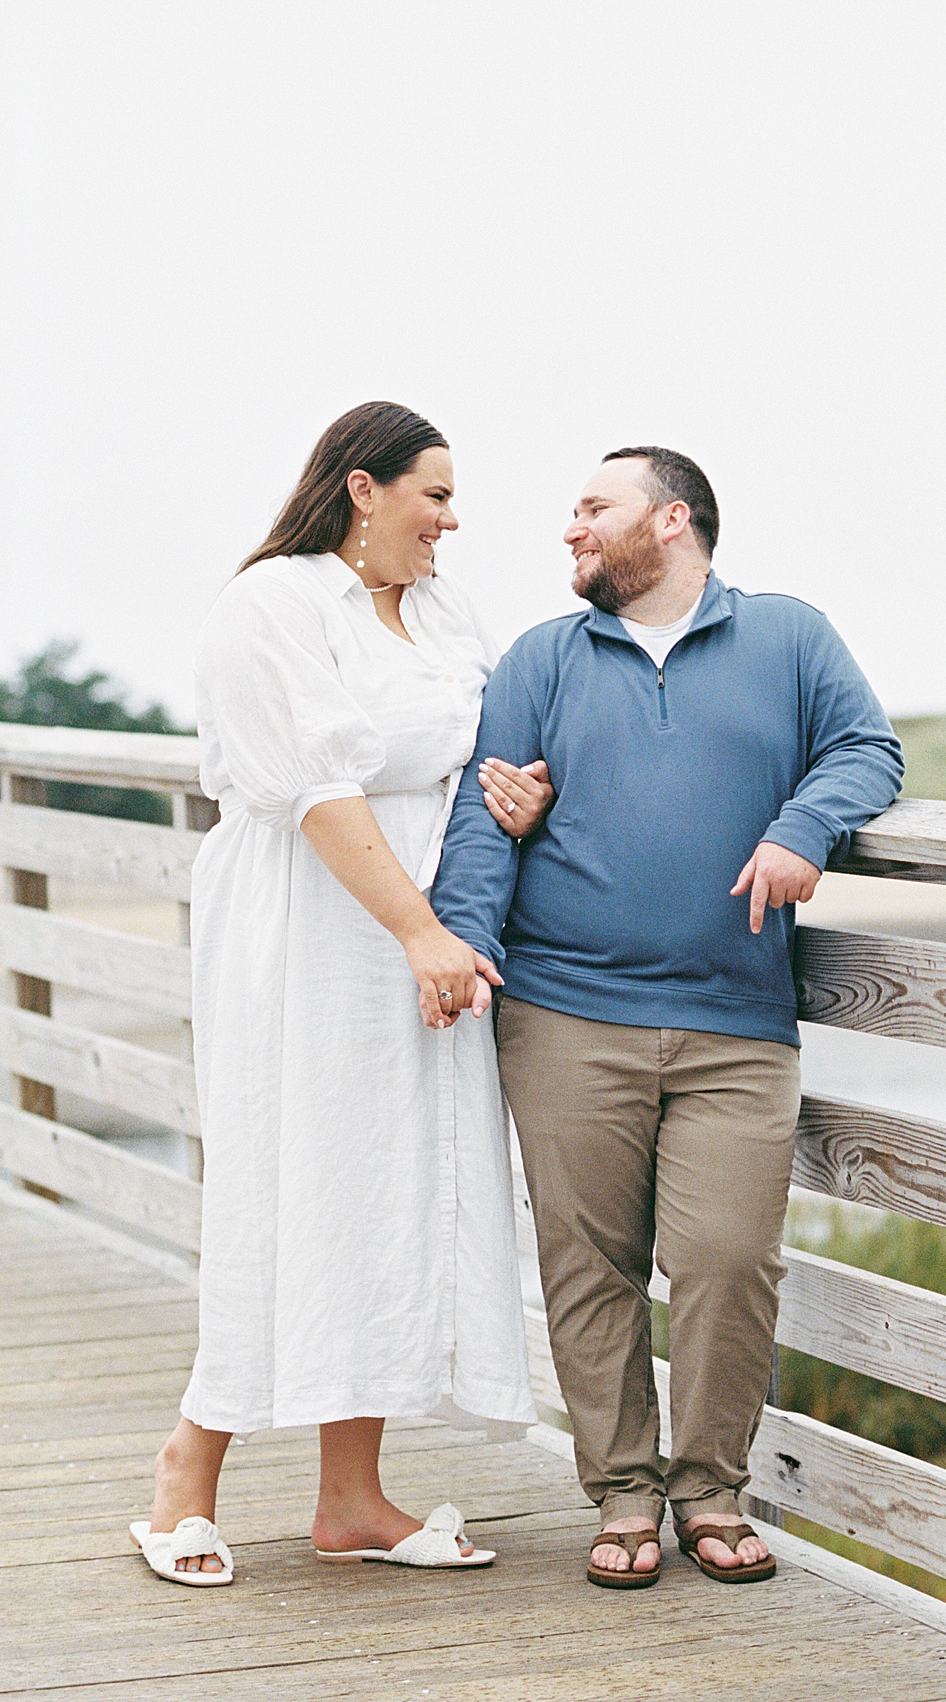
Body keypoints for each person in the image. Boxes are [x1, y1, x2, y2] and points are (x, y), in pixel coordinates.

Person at [432, 446, 904, 1589]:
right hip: (562, 1012)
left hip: (736, 1019)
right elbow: (486, 812)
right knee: (588, 1262)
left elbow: (868, 748)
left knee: (728, 1257)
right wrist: (459, 943)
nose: (571, 531)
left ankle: (711, 1484)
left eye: (594, 508)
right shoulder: (544, 655)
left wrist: (805, 826)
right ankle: (626, 1490)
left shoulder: (789, 636)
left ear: (673, 520)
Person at [132, 403, 549, 1588]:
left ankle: (353, 1496)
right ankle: (186, 1471)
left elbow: (476, 750)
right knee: (291, 1178)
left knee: (391, 1192)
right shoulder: (274, 603)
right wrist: (419, 932)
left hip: (423, 931)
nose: (453, 519)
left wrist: (514, 794)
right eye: (436, 493)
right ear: (363, 488)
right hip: (312, 927)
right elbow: (313, 785)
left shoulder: (444, 609)